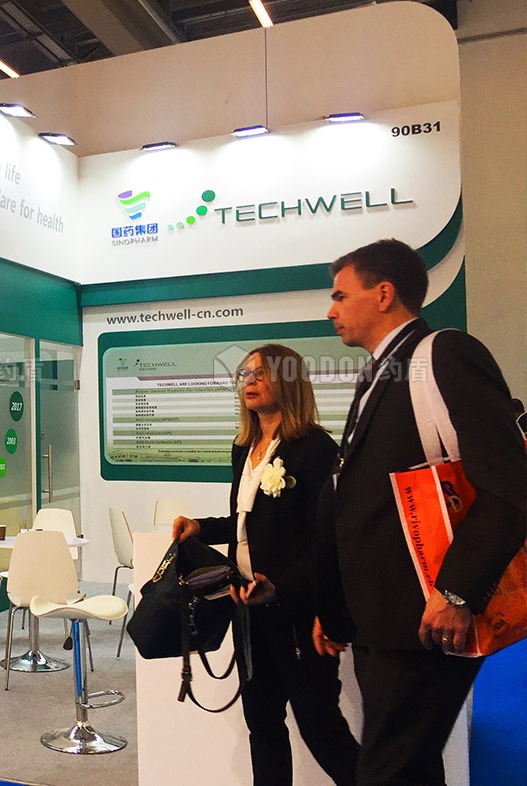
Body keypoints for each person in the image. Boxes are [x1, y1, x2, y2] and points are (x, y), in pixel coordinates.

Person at [317, 238, 527, 786]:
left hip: (429, 618)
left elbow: (509, 488)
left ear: (384, 294)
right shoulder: (380, 373)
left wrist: (456, 593)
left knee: (388, 772)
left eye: (340, 295)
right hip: (383, 622)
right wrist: (336, 609)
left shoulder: (444, 354)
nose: (331, 310)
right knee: (410, 771)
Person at [174, 343, 359, 786]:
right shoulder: (245, 446)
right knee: (262, 724)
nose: (250, 381)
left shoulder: (314, 448)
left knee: (320, 727)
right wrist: (201, 527)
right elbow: (246, 524)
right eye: (245, 374)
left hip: (298, 614)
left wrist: (282, 586)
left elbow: (326, 539)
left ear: (288, 381)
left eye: (261, 373)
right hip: (249, 611)